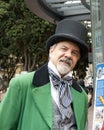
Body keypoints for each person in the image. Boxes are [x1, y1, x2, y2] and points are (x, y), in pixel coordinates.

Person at [0, 19, 88, 130]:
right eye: (64, 48)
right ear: (51, 51)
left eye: (74, 53)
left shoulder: (81, 95)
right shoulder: (22, 84)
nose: (68, 55)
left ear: (77, 59)